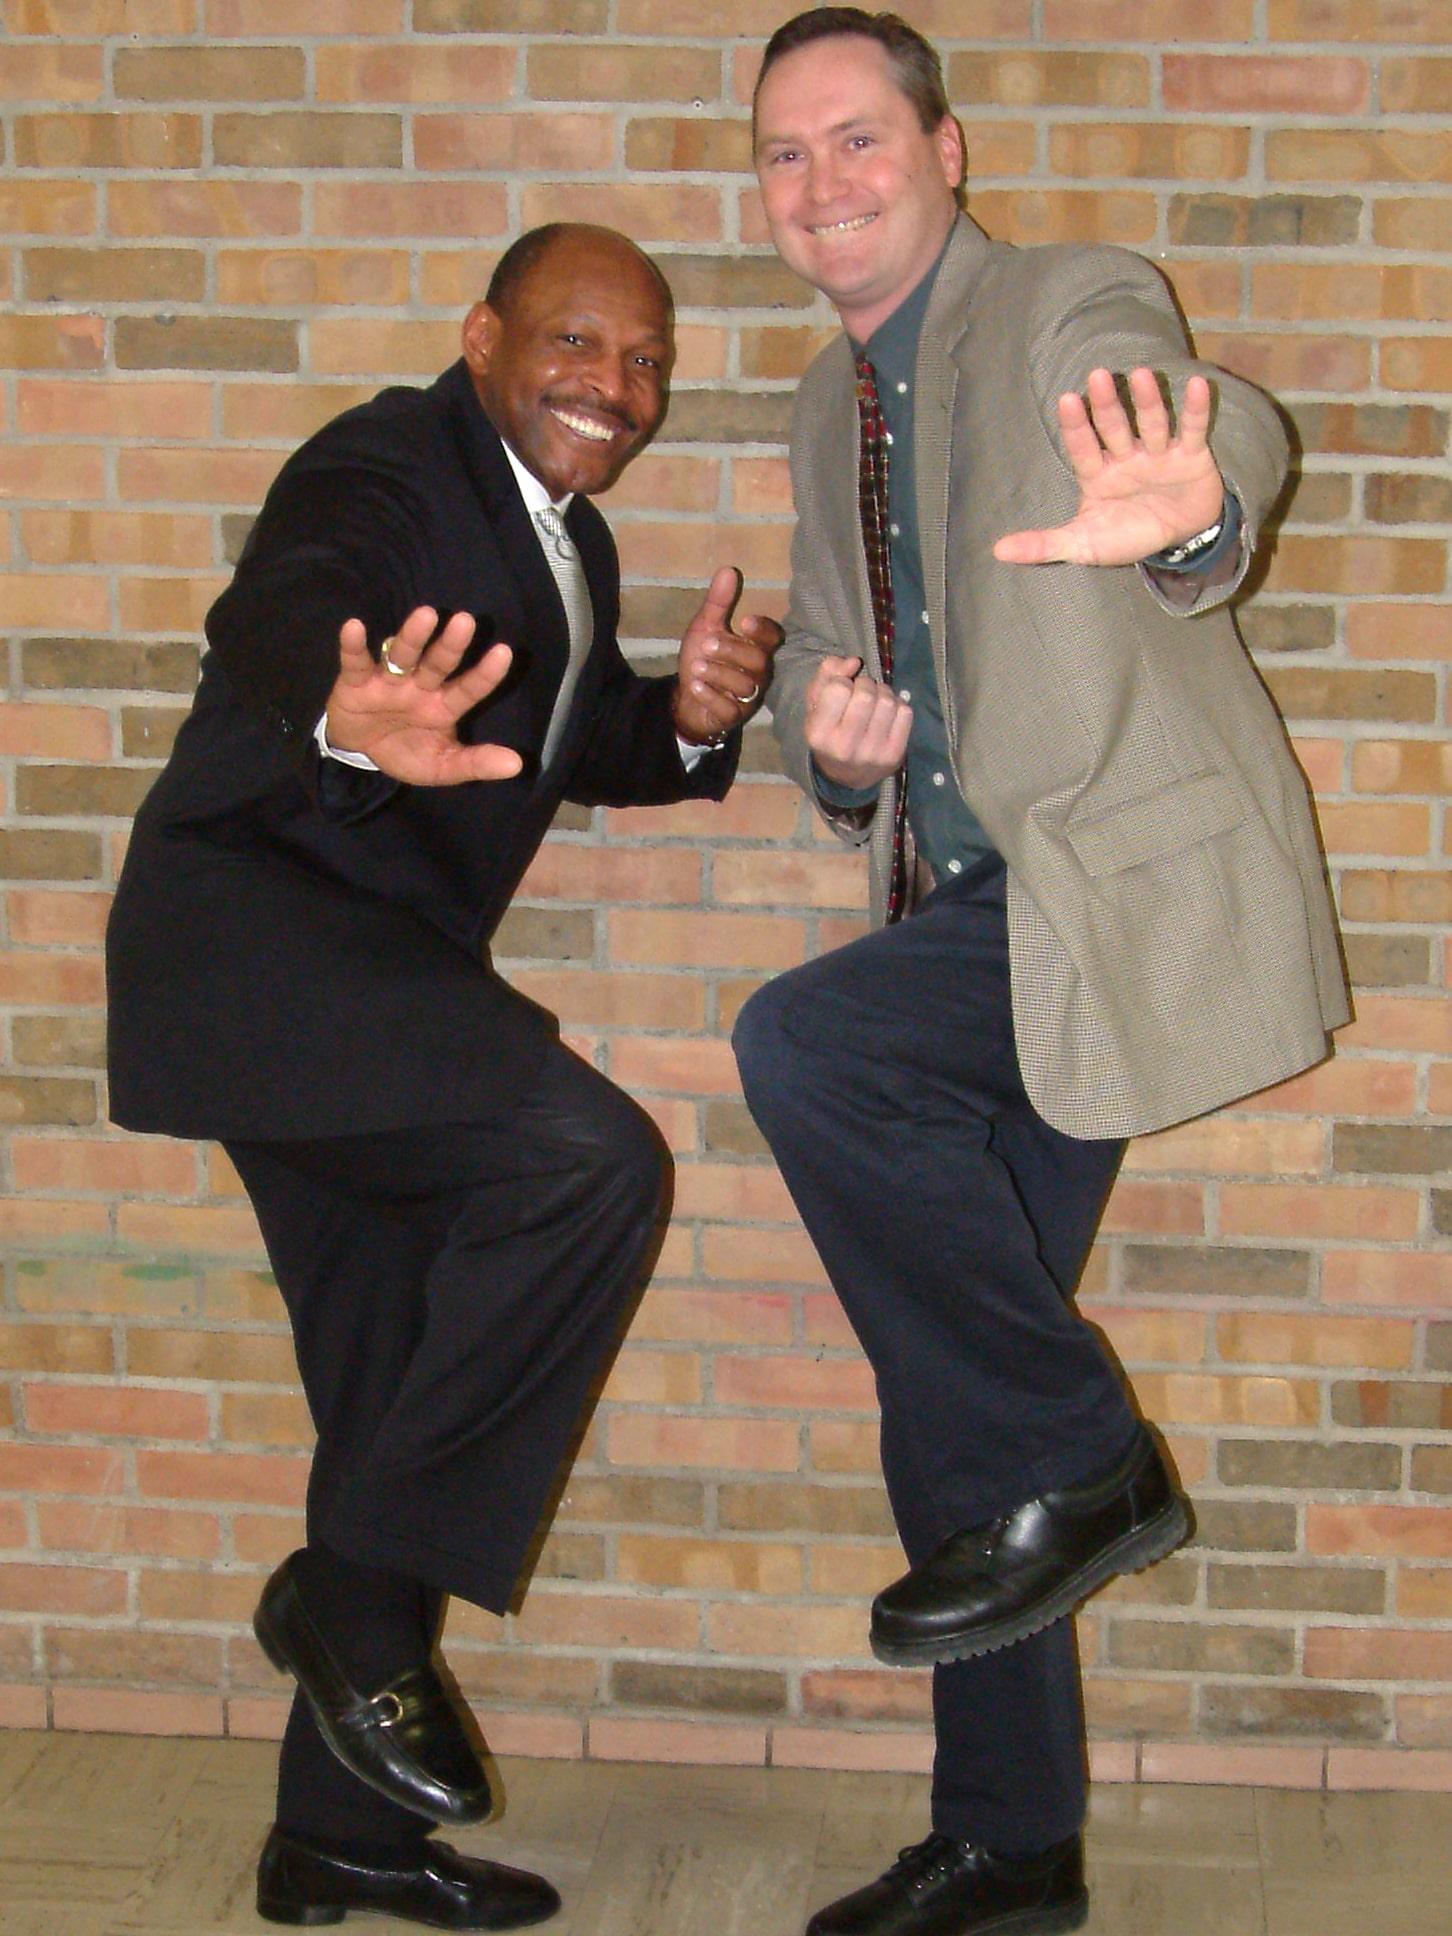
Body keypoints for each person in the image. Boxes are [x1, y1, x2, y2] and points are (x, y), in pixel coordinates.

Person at [732, 13, 1348, 1936]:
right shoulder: (815, 418)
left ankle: (1099, 1455)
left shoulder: (1067, 299)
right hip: (970, 933)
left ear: (948, 151)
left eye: (857, 141)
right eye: (783, 155)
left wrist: (1197, 511)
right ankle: (1015, 1847)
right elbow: (839, 680)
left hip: (1104, 907)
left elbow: (1186, 413)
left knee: (802, 1052)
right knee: (955, 1418)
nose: (823, 185)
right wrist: (826, 756)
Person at [106, 222, 780, 1931]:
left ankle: (337, 1841)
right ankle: (344, 1602)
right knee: (592, 1163)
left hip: (355, 1009)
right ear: (480, 336)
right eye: (575, 344)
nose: (611, 389)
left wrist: (691, 720)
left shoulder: (569, 539)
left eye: (642, 367)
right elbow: (288, 603)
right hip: (265, 948)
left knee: (396, 1380)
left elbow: (563, 739)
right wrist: (342, 709)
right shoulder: (389, 461)